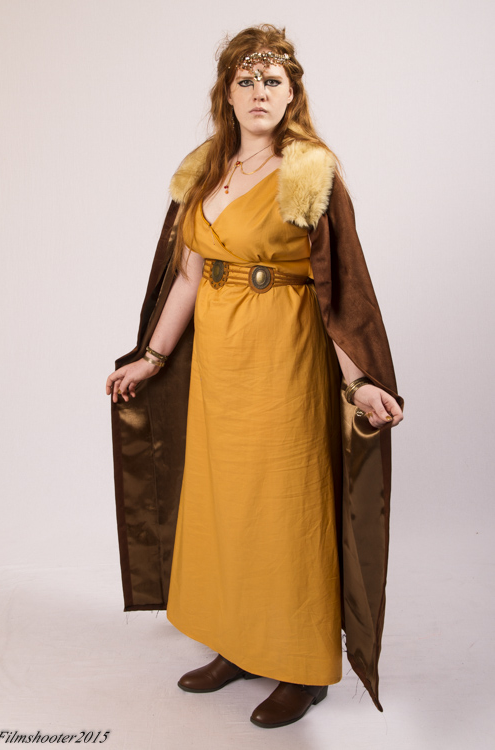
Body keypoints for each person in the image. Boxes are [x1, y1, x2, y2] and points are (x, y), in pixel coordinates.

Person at [105, 24, 404, 729]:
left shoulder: (309, 170)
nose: (260, 91)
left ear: (292, 93)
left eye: (273, 81)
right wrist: (151, 356)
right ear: (228, 93)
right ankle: (238, 644)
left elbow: (339, 290)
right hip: (218, 368)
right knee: (225, 504)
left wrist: (360, 381)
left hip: (284, 360)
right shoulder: (204, 170)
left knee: (286, 508)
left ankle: (301, 667)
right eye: (247, 80)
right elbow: (188, 275)